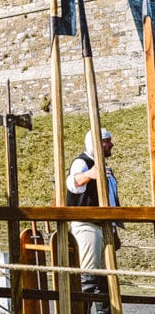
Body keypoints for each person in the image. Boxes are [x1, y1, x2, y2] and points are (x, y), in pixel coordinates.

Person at [66, 128, 121, 314]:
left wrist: (114, 229)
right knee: (88, 278)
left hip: (104, 226)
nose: (111, 144)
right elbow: (73, 183)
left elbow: (110, 200)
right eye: (107, 141)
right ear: (96, 143)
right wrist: (89, 174)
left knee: (105, 281)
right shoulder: (82, 162)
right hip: (87, 225)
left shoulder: (103, 166)